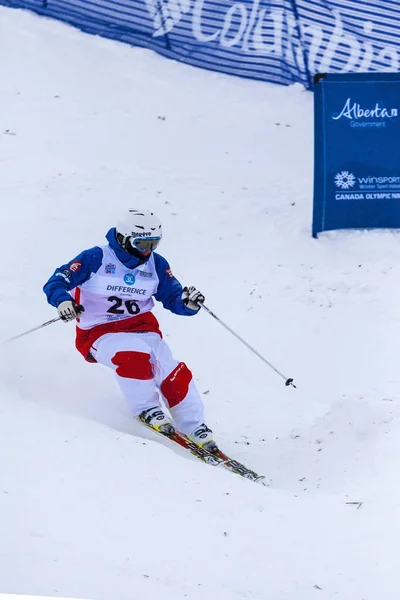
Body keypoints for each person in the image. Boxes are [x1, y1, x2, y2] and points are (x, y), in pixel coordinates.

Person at [43, 208, 217, 451]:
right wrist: (63, 300)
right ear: (124, 239)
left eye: (154, 244)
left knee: (171, 369)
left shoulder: (156, 263)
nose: (148, 250)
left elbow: (173, 297)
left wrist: (188, 304)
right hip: (99, 332)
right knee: (133, 355)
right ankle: (147, 409)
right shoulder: (96, 258)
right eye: (142, 243)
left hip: (143, 329)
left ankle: (194, 425)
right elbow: (58, 280)